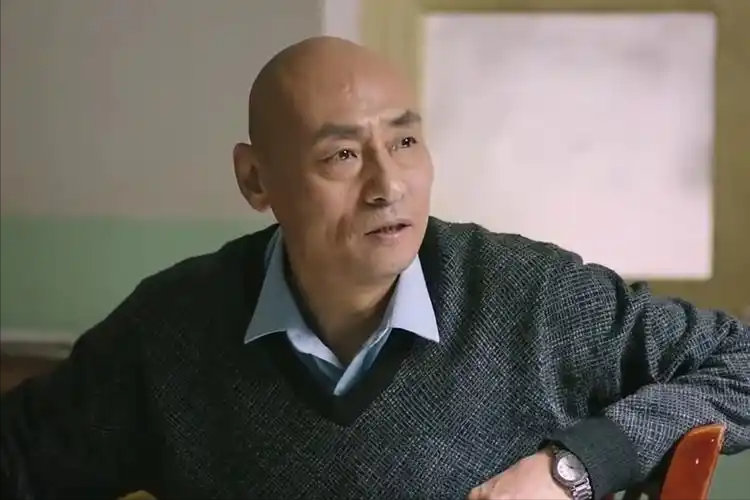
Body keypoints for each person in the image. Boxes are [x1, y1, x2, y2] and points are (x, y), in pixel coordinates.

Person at [1, 36, 748, 500]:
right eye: (342, 155)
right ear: (256, 180)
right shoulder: (171, 330)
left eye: (405, 142)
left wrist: (574, 469)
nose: (388, 185)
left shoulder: (532, 298)